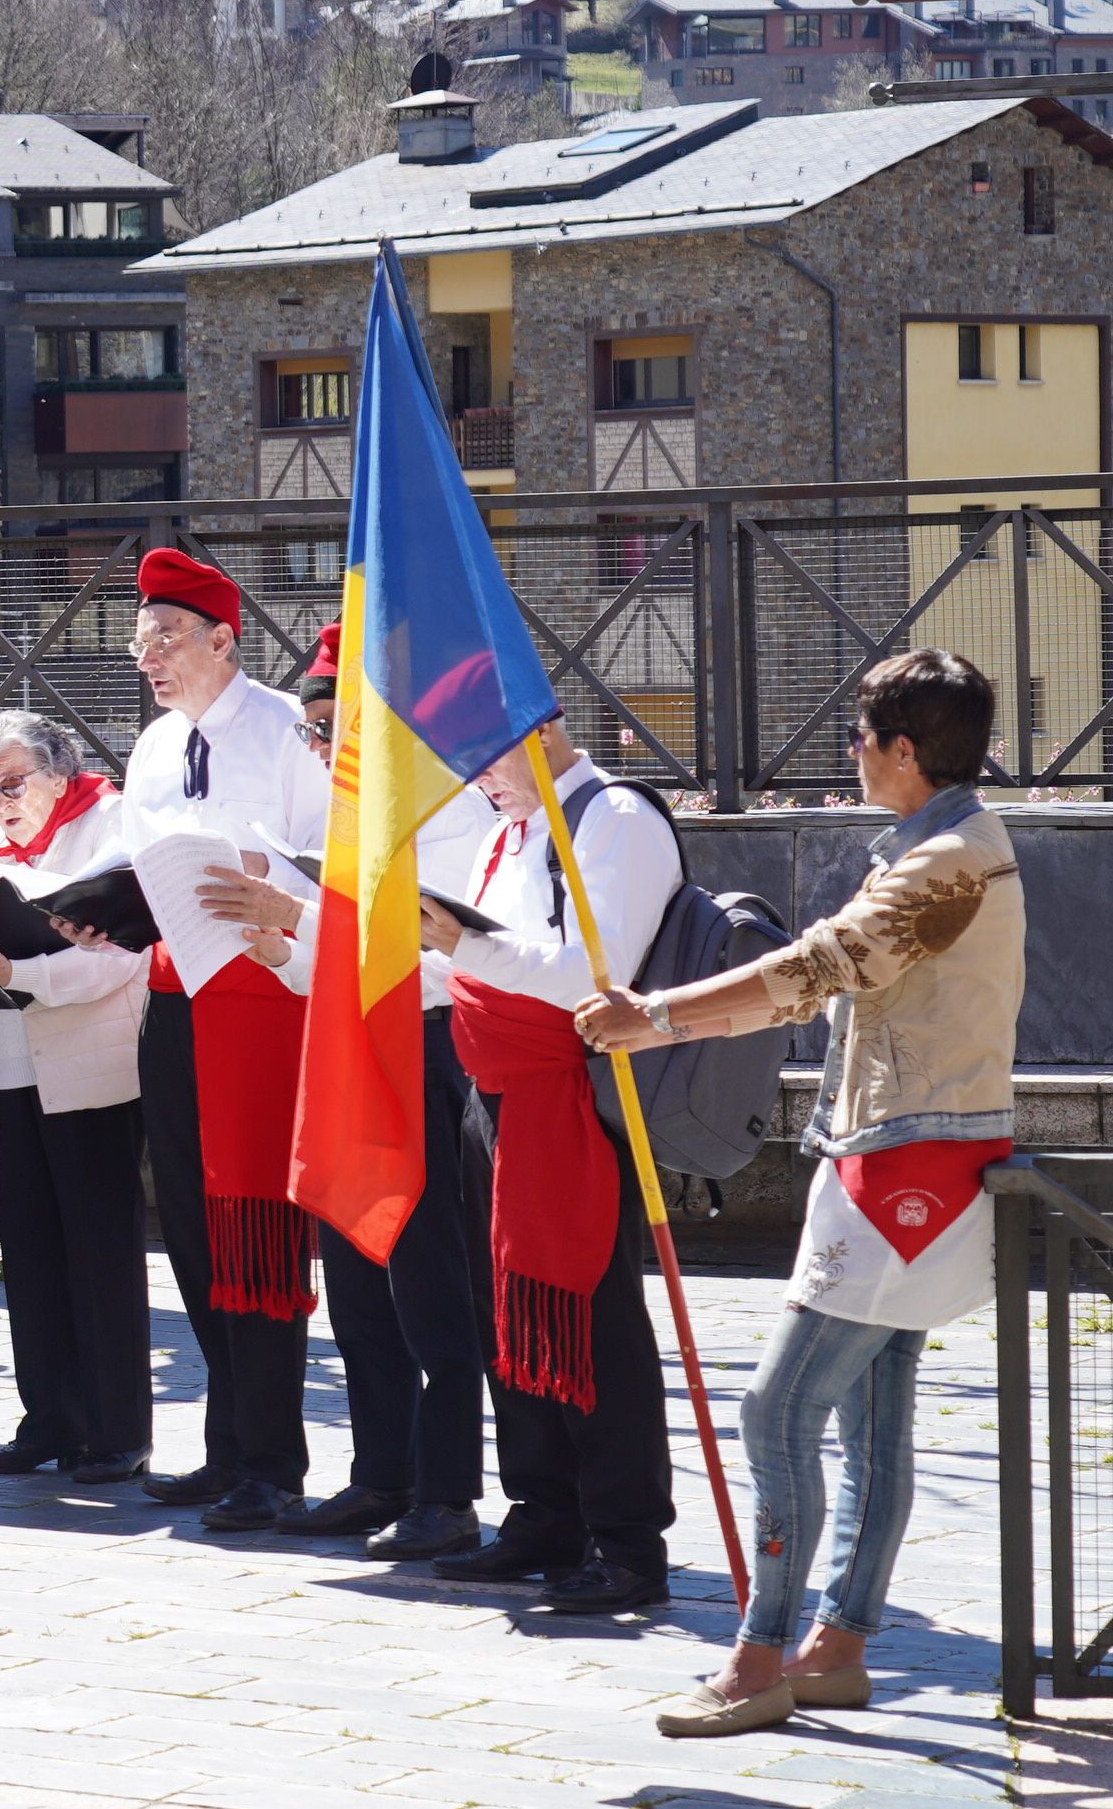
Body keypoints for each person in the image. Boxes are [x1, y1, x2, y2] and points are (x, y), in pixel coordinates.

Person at [583, 654, 1024, 1733]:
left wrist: (657, 1014)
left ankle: (759, 1659)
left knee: (778, 1407)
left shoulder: (946, 864)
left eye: (864, 737)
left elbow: (810, 969)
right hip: (911, 1154)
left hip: (902, 1169)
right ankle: (836, 1644)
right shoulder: (957, 844)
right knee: (873, 1420)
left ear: (905, 753)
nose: (853, 752)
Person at [198, 631, 499, 1559]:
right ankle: (382, 1474)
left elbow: (441, 954)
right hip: (350, 1050)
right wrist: (283, 952)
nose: (320, 750)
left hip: (434, 1053)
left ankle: (445, 1493)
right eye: (314, 733)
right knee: (358, 1276)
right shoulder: (343, 814)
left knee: (431, 1285)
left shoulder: (451, 808)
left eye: (332, 729)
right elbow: (336, 966)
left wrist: (299, 922)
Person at [414, 717, 689, 1615]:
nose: (474, 779)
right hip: (496, 1092)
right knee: (511, 1314)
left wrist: (464, 945)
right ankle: (543, 1512)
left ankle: (626, 1539)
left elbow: (586, 974)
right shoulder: (509, 826)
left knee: (589, 1315)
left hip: (575, 1098)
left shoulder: (614, 818)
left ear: (542, 735)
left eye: (481, 754)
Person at [91, 549, 331, 1531]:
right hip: (174, 991)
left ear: (224, 638)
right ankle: (228, 1439)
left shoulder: (286, 731)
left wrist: (258, 878)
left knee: (260, 1227)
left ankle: (275, 1457)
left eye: (167, 637)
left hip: (265, 992)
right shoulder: (153, 746)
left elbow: (325, 871)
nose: (149, 656)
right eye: (139, 641)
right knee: (189, 1219)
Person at [0, 711, 153, 1484]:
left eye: (10, 785)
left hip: (91, 1065)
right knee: (29, 1252)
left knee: (99, 1251)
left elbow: (121, 956)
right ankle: (49, 1419)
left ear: (60, 774)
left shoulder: (112, 825)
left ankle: (116, 1429)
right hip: (13, 1061)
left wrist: (18, 973)